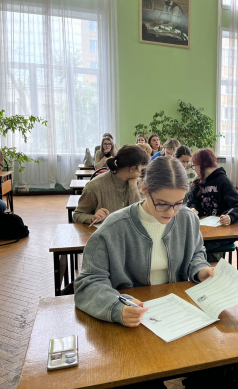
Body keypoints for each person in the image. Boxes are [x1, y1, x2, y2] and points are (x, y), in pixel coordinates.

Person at [74, 156, 213, 389]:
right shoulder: (114, 227)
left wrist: (201, 270)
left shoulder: (187, 219)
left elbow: (197, 254)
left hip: (177, 317)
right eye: (162, 203)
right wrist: (117, 307)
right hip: (134, 324)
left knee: (218, 365)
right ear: (144, 189)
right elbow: (88, 283)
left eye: (178, 203)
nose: (171, 212)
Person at [187, 148, 238, 260]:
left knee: (201, 250)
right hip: (203, 230)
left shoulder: (222, 181)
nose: (194, 169)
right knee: (191, 245)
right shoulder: (199, 182)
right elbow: (193, 203)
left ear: (201, 165)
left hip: (219, 233)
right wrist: (193, 209)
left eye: (194, 165)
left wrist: (229, 216)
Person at [73, 145, 147, 225]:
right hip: (107, 236)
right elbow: (77, 215)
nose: (143, 174)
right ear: (132, 169)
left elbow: (141, 216)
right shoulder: (95, 186)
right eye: (142, 170)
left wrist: (133, 188)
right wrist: (93, 217)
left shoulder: (138, 182)